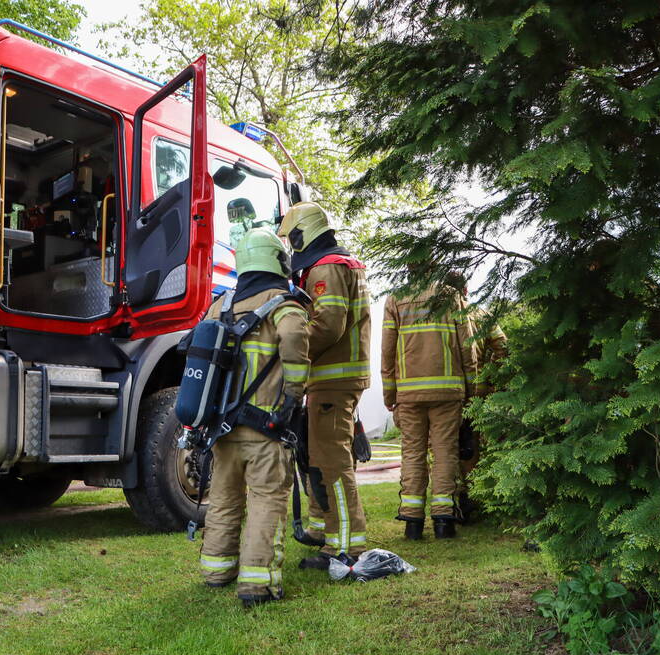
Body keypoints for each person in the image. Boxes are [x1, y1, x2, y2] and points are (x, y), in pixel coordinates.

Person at [198, 227, 310, 607]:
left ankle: (217, 570)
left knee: (225, 498)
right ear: (278, 261)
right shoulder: (284, 305)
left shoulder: (220, 306)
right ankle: (257, 586)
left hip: (222, 428)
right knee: (267, 499)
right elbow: (295, 341)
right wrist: (294, 394)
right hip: (266, 427)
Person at [277, 202, 371, 568]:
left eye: (292, 238)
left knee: (331, 462)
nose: (291, 246)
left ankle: (345, 545)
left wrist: (288, 348)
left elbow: (328, 325)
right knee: (316, 456)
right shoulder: (336, 263)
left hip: (333, 378)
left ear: (305, 233)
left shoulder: (327, 267)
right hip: (333, 378)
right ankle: (322, 528)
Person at [381, 274, 477, 540]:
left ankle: (412, 523)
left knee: (412, 453)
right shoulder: (452, 296)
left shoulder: (395, 299)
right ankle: (443, 522)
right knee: (445, 451)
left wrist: (390, 393)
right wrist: (471, 390)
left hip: (409, 393)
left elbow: (387, 351)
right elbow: (468, 347)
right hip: (447, 391)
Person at [443, 272, 507, 519]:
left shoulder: (437, 316)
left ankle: (448, 502)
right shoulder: (481, 313)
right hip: (476, 391)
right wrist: (490, 379)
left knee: (443, 446)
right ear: (466, 290)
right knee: (471, 446)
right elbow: (503, 348)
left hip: (445, 389)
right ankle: (471, 499)